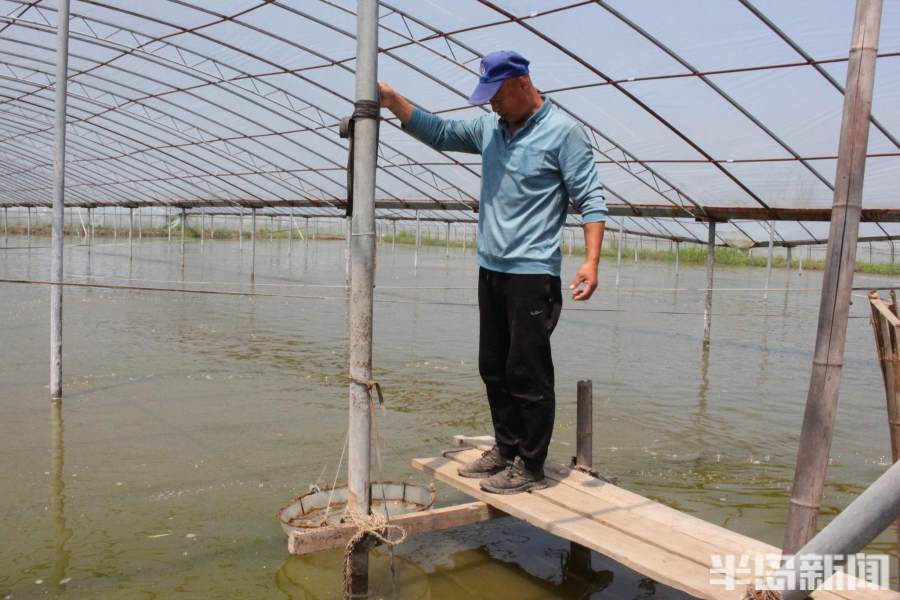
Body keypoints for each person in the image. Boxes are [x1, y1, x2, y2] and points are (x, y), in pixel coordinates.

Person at [378, 50, 606, 495]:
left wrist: (591, 260)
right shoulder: (490, 130)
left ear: (523, 83)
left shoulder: (565, 133)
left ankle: (531, 464)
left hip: (532, 273)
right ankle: (506, 448)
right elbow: (441, 132)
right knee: (493, 366)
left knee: (527, 370)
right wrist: (391, 100)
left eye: (498, 96)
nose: (493, 106)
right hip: (492, 268)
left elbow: (591, 200)